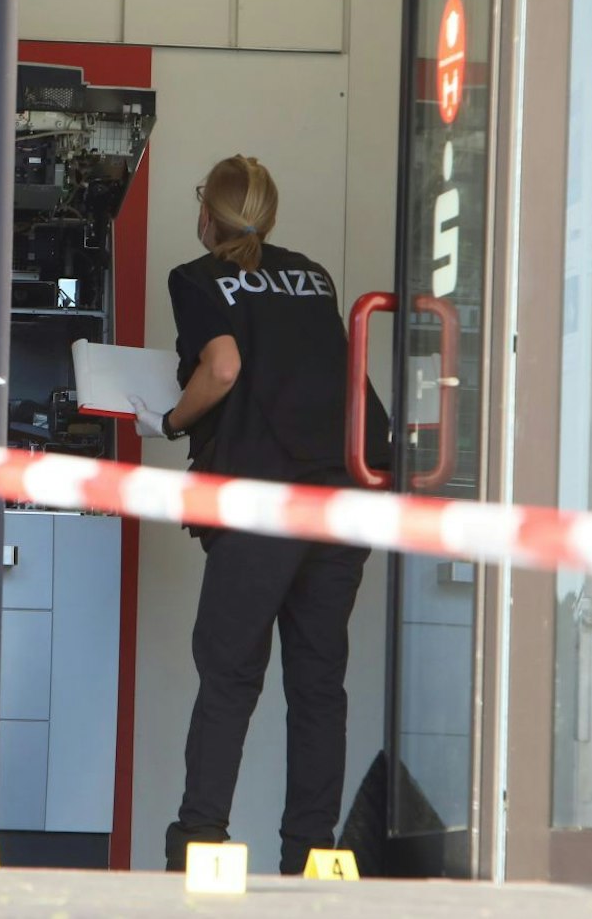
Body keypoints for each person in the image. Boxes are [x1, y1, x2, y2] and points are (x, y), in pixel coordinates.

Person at [128, 154, 389, 876]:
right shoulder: (312, 273)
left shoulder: (198, 277)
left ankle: (201, 844)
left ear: (206, 213)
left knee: (230, 672)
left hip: (262, 498)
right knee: (316, 680)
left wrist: (169, 422)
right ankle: (311, 856)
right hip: (341, 489)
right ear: (268, 216)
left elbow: (223, 367)